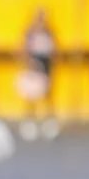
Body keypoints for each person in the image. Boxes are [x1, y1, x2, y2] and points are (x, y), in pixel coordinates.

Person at [18, 8, 58, 141]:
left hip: (45, 63)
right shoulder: (31, 32)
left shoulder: (48, 32)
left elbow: (54, 49)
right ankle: (30, 121)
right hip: (34, 62)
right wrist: (29, 62)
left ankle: (49, 121)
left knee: (47, 93)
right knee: (31, 94)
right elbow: (24, 49)